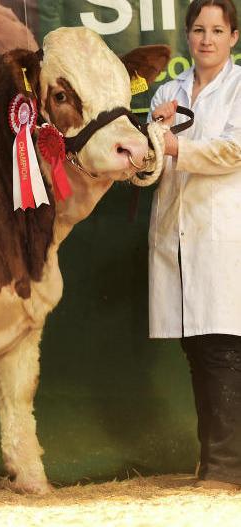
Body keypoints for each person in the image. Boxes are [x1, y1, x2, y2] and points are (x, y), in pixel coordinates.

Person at [148, 0, 241, 490]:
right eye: (198, 30)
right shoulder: (167, 92)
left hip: (223, 234)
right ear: (188, 36)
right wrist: (155, 130)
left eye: (217, 30)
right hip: (176, 235)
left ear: (234, 37)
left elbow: (234, 149)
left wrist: (175, 145)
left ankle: (226, 468)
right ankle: (213, 463)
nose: (207, 39)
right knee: (197, 346)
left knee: (224, 346)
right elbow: (146, 171)